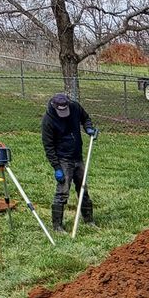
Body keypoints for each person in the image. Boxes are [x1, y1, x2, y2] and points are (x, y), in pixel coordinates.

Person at [41, 92, 98, 234]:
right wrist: (57, 167)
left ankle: (89, 220)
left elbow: (85, 118)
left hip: (77, 156)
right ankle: (57, 226)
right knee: (62, 192)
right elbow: (48, 147)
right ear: (54, 107)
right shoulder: (48, 120)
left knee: (83, 188)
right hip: (63, 159)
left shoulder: (75, 107)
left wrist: (89, 128)